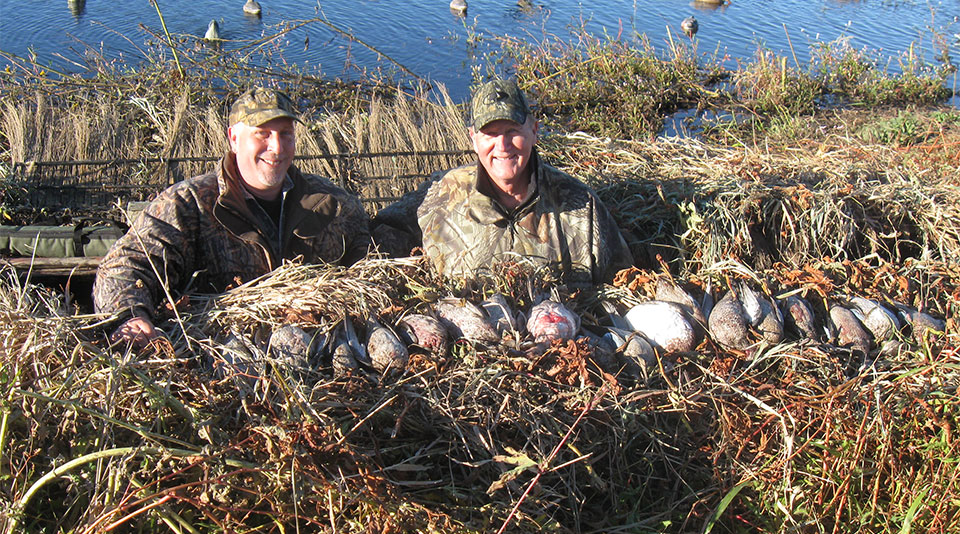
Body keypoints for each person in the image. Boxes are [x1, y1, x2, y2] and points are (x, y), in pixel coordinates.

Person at [94, 87, 371, 345]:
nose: (277, 147)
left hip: (315, 353)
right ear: (234, 139)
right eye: (263, 133)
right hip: (217, 355)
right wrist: (131, 315)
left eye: (285, 133)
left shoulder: (331, 203)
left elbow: (370, 257)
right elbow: (125, 265)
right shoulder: (188, 204)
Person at [373, 79, 632, 284]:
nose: (503, 146)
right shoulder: (441, 195)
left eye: (512, 132)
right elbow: (381, 235)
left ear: (533, 130)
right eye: (491, 134)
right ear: (473, 138)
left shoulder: (581, 205)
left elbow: (622, 281)